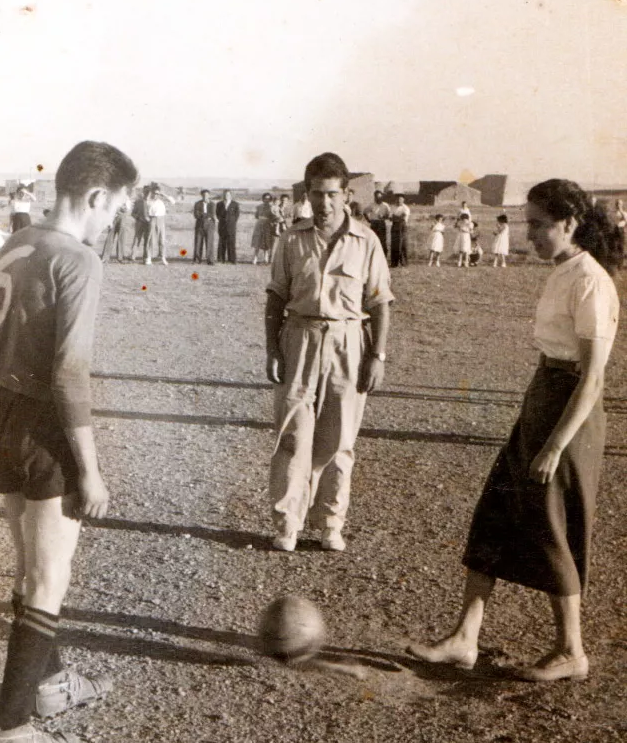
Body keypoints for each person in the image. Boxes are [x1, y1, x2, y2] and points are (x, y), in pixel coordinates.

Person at [404, 179, 622, 682]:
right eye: (528, 224)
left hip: (570, 416)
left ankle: (571, 651)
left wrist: (554, 444)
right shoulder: (562, 272)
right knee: (495, 512)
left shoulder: (590, 280)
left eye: (540, 225)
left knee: (553, 525)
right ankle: (464, 638)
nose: (532, 235)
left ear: (569, 223)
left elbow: (591, 380)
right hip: (542, 399)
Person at [0, 141, 138, 743]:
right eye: (115, 207)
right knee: (47, 577)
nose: (113, 219)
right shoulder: (80, 258)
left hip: (1, 423)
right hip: (44, 431)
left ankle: (49, 683)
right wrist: (89, 469)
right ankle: (12, 731)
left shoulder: (14, 245)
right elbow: (70, 371)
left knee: (31, 568)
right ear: (96, 197)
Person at [265, 152, 393, 552]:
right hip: (299, 338)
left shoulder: (366, 241)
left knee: (339, 439)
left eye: (332, 194)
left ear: (347, 194)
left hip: (348, 342)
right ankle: (287, 523)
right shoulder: (291, 239)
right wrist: (272, 350)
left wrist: (378, 356)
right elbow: (274, 299)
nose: (325, 203)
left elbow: (380, 303)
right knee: (292, 435)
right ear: (308, 194)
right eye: (317, 194)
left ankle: (330, 524)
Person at [146, 184, 175, 265]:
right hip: (153, 219)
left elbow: (173, 201)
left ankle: (162, 257)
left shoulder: (161, 201)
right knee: (151, 239)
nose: (156, 195)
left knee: (162, 240)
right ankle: (148, 258)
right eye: (155, 193)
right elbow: (147, 207)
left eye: (158, 194)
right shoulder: (149, 201)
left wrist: (163, 194)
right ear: (152, 193)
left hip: (161, 220)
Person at [101, 198, 132, 263]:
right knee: (110, 237)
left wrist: (120, 208)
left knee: (121, 238)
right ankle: (105, 257)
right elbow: (109, 207)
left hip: (122, 218)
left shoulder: (126, 198)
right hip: (113, 217)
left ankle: (120, 257)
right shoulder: (114, 197)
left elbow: (127, 209)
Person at [216, 189, 241, 263]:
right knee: (222, 242)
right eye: (225, 194)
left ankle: (232, 259)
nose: (227, 196)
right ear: (223, 195)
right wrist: (222, 220)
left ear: (231, 195)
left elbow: (237, 215)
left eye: (228, 195)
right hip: (222, 225)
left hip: (231, 226)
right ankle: (221, 259)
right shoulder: (219, 204)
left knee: (231, 242)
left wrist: (232, 222)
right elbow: (217, 214)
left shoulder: (235, 204)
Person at [363, 190, 391, 257]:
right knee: (374, 240)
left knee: (383, 241)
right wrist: (369, 220)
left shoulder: (385, 205)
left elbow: (389, 215)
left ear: (382, 197)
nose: (378, 198)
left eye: (379, 197)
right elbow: (365, 212)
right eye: (376, 197)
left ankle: (384, 257)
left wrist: (384, 216)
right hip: (374, 224)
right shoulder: (371, 205)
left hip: (381, 223)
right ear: (374, 197)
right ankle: (374, 256)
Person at [193, 189, 217, 265]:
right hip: (199, 225)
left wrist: (203, 214)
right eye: (203, 195)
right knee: (198, 242)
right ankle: (197, 259)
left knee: (209, 242)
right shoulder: (197, 204)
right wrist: (206, 215)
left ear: (209, 196)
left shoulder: (212, 204)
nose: (205, 197)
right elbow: (196, 215)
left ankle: (210, 260)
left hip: (210, 225)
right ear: (201, 196)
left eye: (207, 195)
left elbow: (212, 214)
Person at [130, 186, 152, 261]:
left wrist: (150, 219)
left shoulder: (152, 203)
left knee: (147, 239)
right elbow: (132, 213)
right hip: (139, 223)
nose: (147, 194)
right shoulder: (138, 202)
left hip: (149, 224)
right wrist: (138, 217)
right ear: (143, 192)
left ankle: (145, 256)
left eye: (148, 193)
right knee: (137, 239)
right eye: (145, 192)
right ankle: (133, 255)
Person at [251, 192, 274, 264]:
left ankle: (266, 258)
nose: (266, 200)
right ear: (263, 199)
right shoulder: (259, 206)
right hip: (259, 225)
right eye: (265, 198)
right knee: (257, 241)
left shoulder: (272, 207)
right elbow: (256, 216)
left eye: (268, 198)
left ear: (270, 199)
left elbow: (273, 217)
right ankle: (255, 258)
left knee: (266, 241)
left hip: (267, 225)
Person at [390, 194, 411, 267]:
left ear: (403, 200)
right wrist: (395, 217)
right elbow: (391, 218)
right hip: (394, 226)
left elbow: (402, 218)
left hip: (402, 226)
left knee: (402, 244)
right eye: (397, 199)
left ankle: (404, 263)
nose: (399, 201)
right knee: (394, 244)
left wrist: (395, 217)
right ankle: (394, 263)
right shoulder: (393, 207)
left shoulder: (405, 208)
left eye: (400, 199)